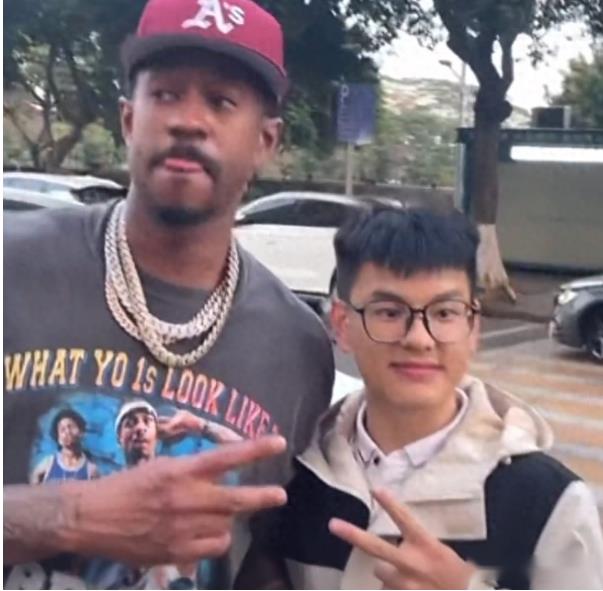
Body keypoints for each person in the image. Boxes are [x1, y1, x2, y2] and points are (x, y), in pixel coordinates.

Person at [3, 0, 334, 588]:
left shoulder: (298, 346)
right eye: (166, 94)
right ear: (130, 120)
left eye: (221, 101)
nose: (188, 120)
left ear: (266, 141)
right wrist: (70, 515)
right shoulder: (12, 262)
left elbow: (262, 555)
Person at [237, 207, 603, 590]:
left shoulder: (548, 503)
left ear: (473, 328)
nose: (419, 338)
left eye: (444, 313)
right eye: (389, 312)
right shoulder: (296, 480)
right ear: (343, 325)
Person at [30, 409, 99, 484]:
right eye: (62, 429)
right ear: (58, 438)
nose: (67, 432)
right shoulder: (48, 464)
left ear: (81, 432)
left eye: (71, 427)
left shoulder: (91, 470)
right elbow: (33, 484)